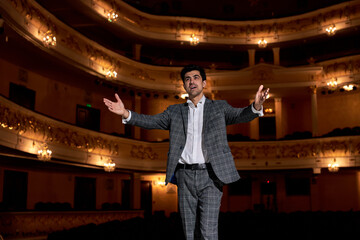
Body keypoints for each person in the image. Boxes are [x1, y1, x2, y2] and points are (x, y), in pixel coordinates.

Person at [103, 64, 269, 240]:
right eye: (187, 79)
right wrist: (126, 113)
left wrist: (256, 106)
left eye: (196, 77)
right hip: (184, 176)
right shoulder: (174, 111)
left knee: (208, 233)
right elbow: (151, 121)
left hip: (211, 176)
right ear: (184, 85)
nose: (192, 81)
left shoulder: (219, 107)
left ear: (204, 83)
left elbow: (240, 115)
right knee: (188, 232)